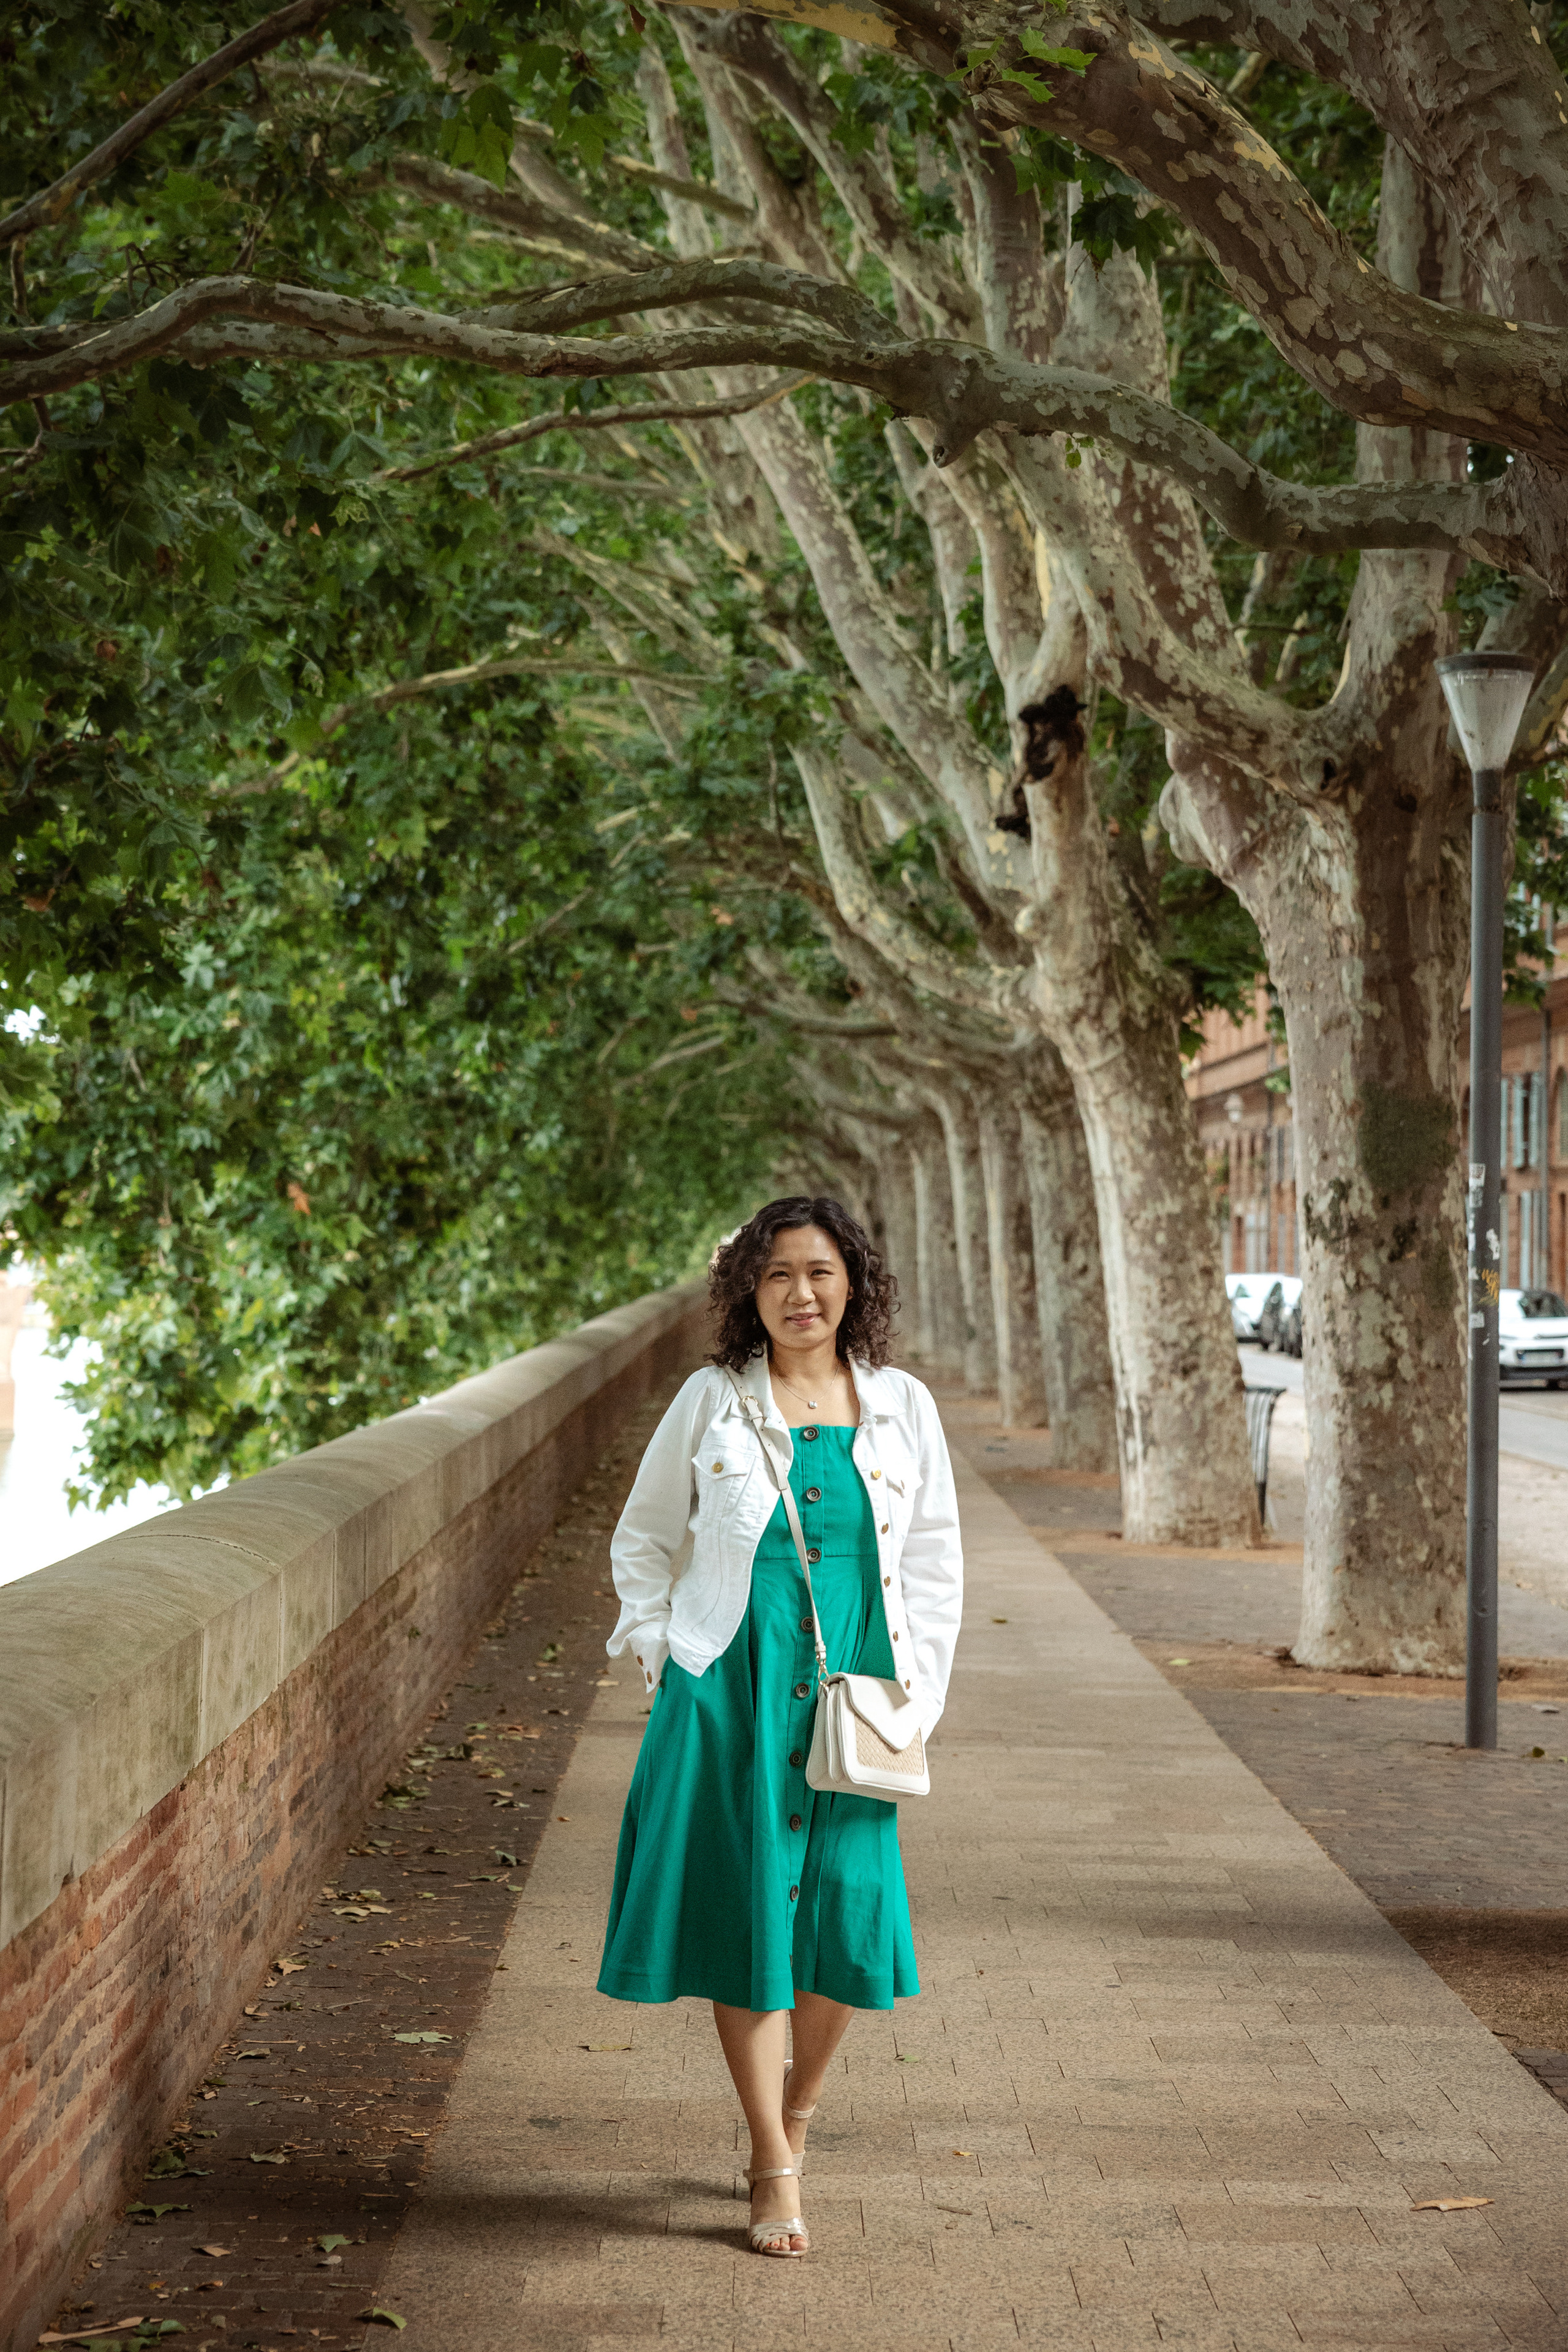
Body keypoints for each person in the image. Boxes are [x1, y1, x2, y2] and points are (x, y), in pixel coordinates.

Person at [598, 1195, 964, 2258]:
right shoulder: (710, 1401)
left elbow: (935, 1560)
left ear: (853, 1283)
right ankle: (771, 2157)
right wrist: (668, 1658)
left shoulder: (901, 1405)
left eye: (819, 1273)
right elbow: (642, 1539)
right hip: (733, 1687)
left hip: (857, 1685)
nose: (800, 1295)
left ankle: (797, 2110)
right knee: (751, 1914)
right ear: (747, 1294)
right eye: (776, 1277)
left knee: (848, 1914)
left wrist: (919, 1698)